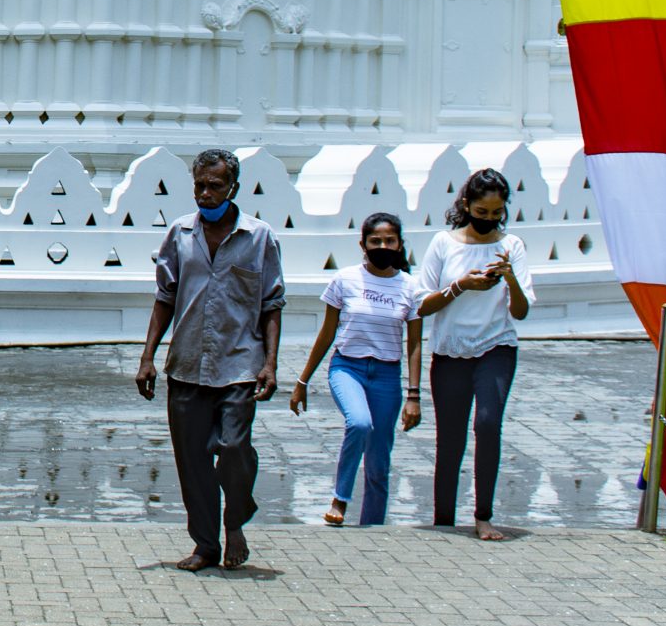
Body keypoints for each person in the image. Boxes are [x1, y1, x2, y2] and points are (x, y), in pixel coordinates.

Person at [134, 149, 284, 572]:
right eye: (199, 185)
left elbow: (272, 304)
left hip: (239, 363)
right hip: (186, 363)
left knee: (234, 448)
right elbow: (165, 298)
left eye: (215, 186)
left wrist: (270, 363)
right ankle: (205, 544)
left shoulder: (259, 237)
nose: (205, 193)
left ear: (234, 187)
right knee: (192, 461)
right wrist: (147, 357)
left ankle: (235, 518)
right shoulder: (181, 234)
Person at [417, 168, 535, 542]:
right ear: (466, 205)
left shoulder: (511, 245)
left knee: (487, 423)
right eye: (481, 212)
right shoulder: (443, 243)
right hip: (450, 351)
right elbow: (423, 306)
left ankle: (484, 515)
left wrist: (510, 277)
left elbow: (520, 312)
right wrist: (461, 285)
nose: (487, 220)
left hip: (495, 347)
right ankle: (444, 518)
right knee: (450, 438)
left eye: (495, 213)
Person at [289, 212, 421, 527]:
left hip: (387, 375)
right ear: (362, 244)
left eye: (390, 240)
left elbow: (415, 344)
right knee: (359, 423)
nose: (383, 246)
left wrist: (414, 395)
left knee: (379, 458)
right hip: (348, 367)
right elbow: (327, 333)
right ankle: (340, 498)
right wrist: (302, 380)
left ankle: (372, 525)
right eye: (375, 240)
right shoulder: (345, 280)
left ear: (400, 244)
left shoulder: (411, 288)